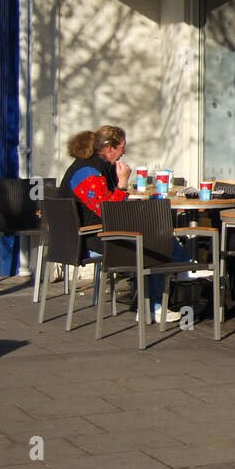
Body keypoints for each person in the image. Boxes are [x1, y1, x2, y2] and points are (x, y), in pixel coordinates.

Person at [58, 125, 181, 323]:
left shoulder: (91, 167)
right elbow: (108, 211)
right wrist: (122, 183)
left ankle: (173, 276)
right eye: (123, 146)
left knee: (153, 232)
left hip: (90, 235)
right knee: (154, 240)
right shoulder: (87, 173)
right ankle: (158, 299)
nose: (124, 151)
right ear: (110, 148)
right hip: (91, 239)